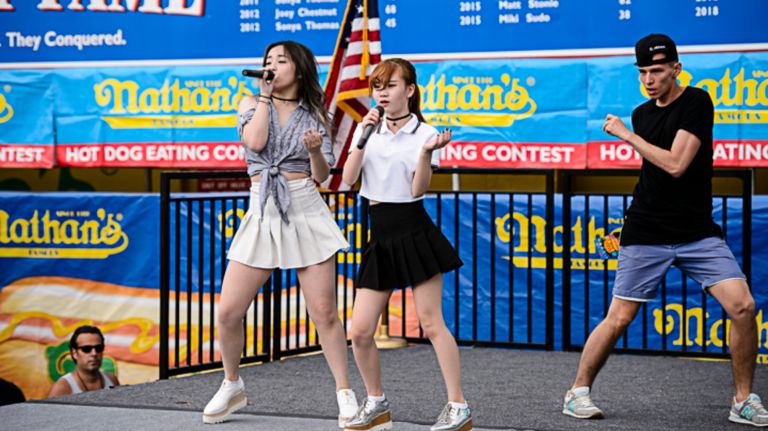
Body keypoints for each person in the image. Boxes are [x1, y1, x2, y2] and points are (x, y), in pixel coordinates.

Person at [562, 34, 768, 427]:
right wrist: (634, 133)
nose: (649, 79)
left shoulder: (696, 101)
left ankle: (743, 399)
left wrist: (627, 135)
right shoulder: (643, 113)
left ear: (676, 67)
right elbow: (656, 173)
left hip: (696, 231)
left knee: (743, 306)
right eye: (643, 72)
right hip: (647, 229)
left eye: (657, 70)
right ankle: (577, 392)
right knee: (619, 317)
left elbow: (675, 164)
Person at [202, 41, 358, 427]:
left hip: (305, 204)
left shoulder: (316, 115)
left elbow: (321, 176)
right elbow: (255, 143)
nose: (271, 66)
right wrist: (265, 97)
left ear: (300, 71)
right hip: (262, 207)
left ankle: (344, 392)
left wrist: (317, 151)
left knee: (324, 312)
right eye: (267, 61)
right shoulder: (250, 103)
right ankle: (232, 383)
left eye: (281, 61)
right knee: (228, 311)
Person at [342, 58, 472, 431]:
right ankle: (377, 402)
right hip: (379, 234)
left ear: (410, 90)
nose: (382, 92)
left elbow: (417, 190)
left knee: (432, 324)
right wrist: (362, 138)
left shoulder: (425, 133)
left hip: (414, 231)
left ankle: (458, 405)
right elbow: (350, 180)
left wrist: (427, 153)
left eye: (390, 85)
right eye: (377, 86)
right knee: (361, 330)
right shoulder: (366, 130)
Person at [48, 325, 119, 397]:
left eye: (98, 348)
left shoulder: (112, 380)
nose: (94, 353)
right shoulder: (63, 387)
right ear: (74, 353)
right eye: (86, 349)